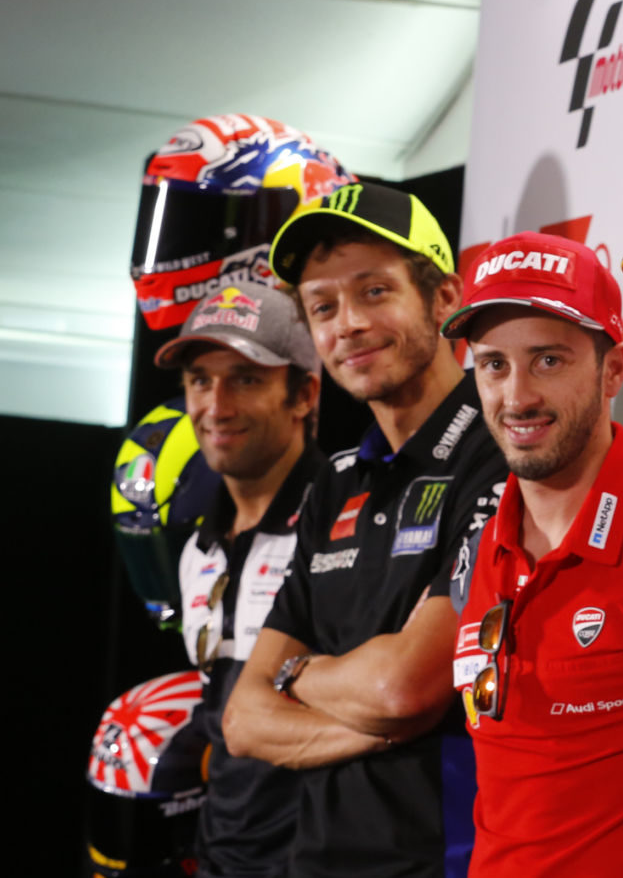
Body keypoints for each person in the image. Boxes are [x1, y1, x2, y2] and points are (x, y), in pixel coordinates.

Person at [224, 182, 507, 877]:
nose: (345, 324)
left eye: (374, 292)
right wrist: (371, 723)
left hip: (442, 858)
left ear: (445, 300)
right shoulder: (335, 481)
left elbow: (406, 687)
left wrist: (297, 675)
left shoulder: (502, 449)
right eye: (323, 306)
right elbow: (243, 718)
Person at [441, 231, 623, 875]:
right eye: (494, 364)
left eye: (548, 360)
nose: (516, 396)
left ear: (613, 370)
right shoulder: (476, 547)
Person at [159, 281, 320, 877]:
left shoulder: (342, 524)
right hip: (222, 856)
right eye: (201, 380)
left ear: (303, 394)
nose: (216, 406)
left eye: (246, 379)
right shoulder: (197, 544)